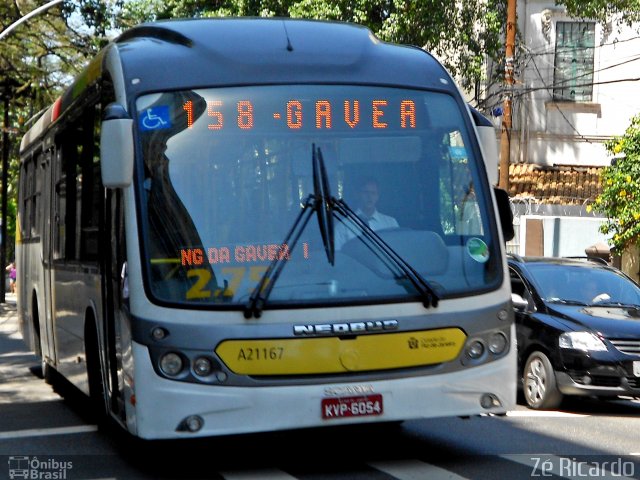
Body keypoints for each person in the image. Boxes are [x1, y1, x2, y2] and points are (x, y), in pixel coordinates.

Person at [335, 176, 398, 249]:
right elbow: (339, 256)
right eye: (365, 192)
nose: (369, 197)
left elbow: (397, 249)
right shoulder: (343, 226)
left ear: (378, 196)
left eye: (373, 193)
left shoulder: (391, 224)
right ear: (358, 195)